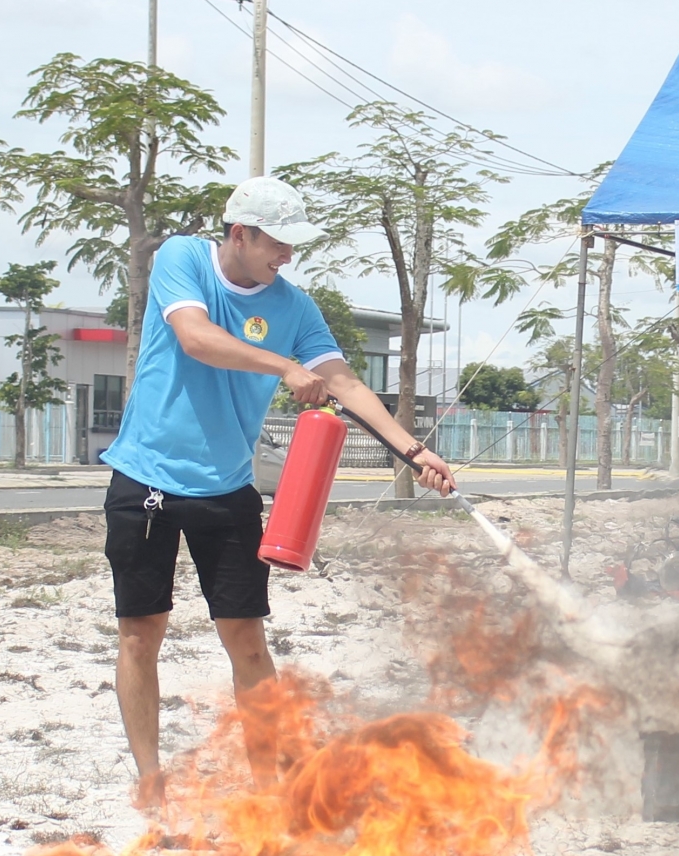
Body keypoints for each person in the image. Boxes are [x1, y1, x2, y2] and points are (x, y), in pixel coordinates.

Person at [100, 176, 456, 803]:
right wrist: (284, 366)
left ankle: (268, 791)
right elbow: (195, 337)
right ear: (241, 233)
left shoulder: (295, 307)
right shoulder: (183, 258)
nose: (287, 256)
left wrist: (414, 450)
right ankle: (150, 780)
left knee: (247, 639)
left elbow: (343, 382)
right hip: (147, 477)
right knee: (141, 630)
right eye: (278, 244)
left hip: (229, 489)